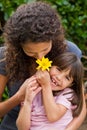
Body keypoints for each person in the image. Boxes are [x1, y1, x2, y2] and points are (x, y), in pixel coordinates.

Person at [0, 1, 86, 130]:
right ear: (18, 46)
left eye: (45, 49)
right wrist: (19, 96)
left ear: (53, 38)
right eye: (30, 52)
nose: (40, 58)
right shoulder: (5, 57)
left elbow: (81, 106)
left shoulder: (69, 52)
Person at [16, 52, 84, 130]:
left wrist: (46, 85)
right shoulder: (33, 90)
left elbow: (53, 116)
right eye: (58, 69)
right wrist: (27, 101)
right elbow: (21, 128)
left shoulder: (67, 94)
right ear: (50, 66)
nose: (59, 77)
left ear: (70, 85)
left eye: (67, 78)